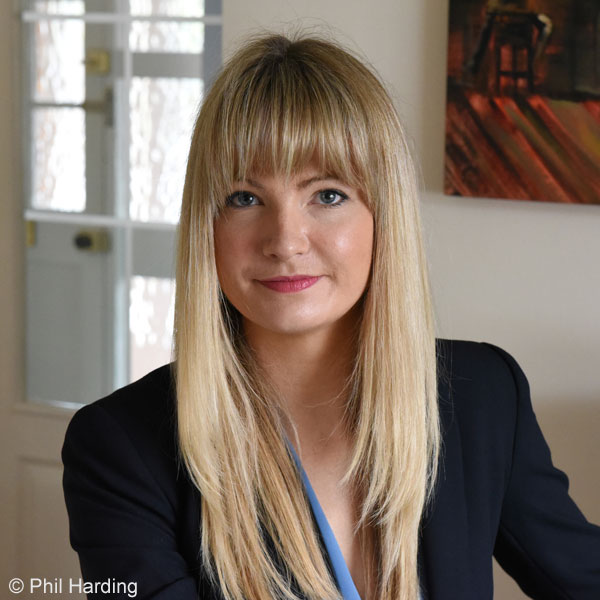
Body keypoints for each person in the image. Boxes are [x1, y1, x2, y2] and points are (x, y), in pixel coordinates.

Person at [62, 32, 600, 600]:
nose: (285, 241)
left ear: (383, 214)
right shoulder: (119, 447)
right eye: (244, 198)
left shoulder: (483, 397)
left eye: (327, 195)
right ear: (207, 225)